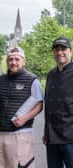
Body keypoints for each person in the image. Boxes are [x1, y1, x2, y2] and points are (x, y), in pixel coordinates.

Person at [0, 47, 43, 168]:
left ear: (24, 61)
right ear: (7, 61)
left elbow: (39, 104)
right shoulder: (1, 80)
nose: (13, 62)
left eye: (17, 59)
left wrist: (25, 118)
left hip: (20, 134)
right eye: (10, 59)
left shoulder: (32, 80)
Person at [44, 36, 73, 168]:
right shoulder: (51, 75)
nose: (59, 52)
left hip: (70, 138)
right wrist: (46, 132)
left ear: (70, 51)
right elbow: (49, 106)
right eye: (56, 49)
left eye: (63, 49)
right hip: (52, 137)